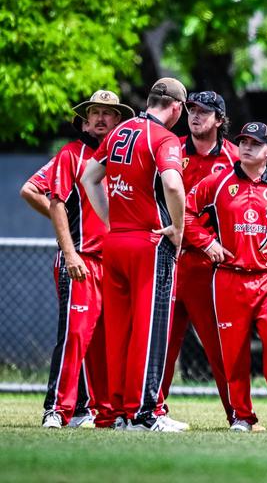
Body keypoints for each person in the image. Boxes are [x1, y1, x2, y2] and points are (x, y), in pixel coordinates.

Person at [185, 122, 267, 432]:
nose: (246, 147)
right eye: (243, 141)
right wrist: (207, 242)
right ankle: (242, 416)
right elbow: (185, 213)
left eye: (255, 144)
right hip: (228, 278)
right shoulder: (217, 182)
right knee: (233, 351)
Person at [82, 78, 187, 432]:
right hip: (150, 242)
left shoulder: (120, 131)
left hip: (116, 243)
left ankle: (118, 412)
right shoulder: (164, 138)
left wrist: (111, 219)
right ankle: (145, 414)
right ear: (175, 107)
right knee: (150, 327)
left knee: (119, 331)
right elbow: (172, 183)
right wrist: (177, 227)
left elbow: (89, 178)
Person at [41, 91, 134, 429]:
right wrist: (69, 254)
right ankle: (57, 409)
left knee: (111, 343)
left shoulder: (126, 157)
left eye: (108, 113)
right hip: (83, 261)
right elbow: (55, 204)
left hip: (119, 265)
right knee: (76, 336)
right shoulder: (70, 155)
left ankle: (108, 413)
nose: (100, 119)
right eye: (94, 112)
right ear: (84, 119)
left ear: (119, 120)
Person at [159, 91, 238, 428]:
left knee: (221, 343)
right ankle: (150, 410)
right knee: (160, 340)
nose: (195, 116)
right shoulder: (172, 148)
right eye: (191, 109)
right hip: (168, 257)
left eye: (205, 112)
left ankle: (238, 413)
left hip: (208, 265)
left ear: (219, 120)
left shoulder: (235, 157)